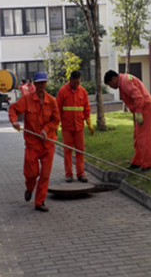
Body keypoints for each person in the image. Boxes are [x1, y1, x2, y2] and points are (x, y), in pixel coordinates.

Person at [9, 72, 60, 212]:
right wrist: (14, 121)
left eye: (44, 82)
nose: (42, 85)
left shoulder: (52, 101)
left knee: (45, 174)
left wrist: (46, 130)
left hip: (48, 143)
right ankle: (30, 188)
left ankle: (39, 202)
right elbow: (13, 108)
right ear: (34, 84)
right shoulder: (27, 99)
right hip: (32, 144)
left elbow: (56, 120)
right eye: (39, 82)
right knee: (31, 174)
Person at [103, 70, 151, 172]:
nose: (111, 87)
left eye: (110, 84)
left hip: (144, 108)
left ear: (114, 79)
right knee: (138, 136)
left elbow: (138, 97)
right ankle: (137, 161)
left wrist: (139, 113)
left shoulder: (125, 82)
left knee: (143, 137)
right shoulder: (124, 80)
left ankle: (147, 164)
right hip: (143, 108)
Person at [56, 70, 94, 183]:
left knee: (80, 151)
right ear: (70, 80)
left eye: (78, 83)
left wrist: (88, 122)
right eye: (74, 83)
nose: (76, 85)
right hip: (67, 128)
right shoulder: (62, 91)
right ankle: (69, 174)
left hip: (79, 127)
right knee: (67, 151)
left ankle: (81, 173)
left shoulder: (83, 92)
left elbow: (86, 107)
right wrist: (56, 124)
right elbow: (57, 109)